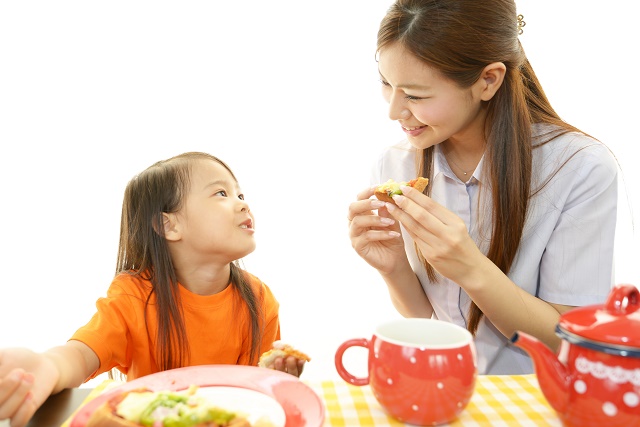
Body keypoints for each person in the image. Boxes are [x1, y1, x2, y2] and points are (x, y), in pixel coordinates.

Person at [347, 0, 618, 375]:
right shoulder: (398, 163)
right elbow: (437, 322)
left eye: (415, 95)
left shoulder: (578, 167)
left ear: (488, 80)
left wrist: (472, 268)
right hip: (446, 389)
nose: (394, 111)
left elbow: (572, 341)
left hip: (534, 400)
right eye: (386, 83)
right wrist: (394, 269)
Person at [0, 152, 306, 426]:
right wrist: (44, 366)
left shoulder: (260, 299)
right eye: (222, 193)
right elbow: (80, 356)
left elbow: (257, 391)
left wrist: (278, 377)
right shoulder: (133, 297)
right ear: (169, 226)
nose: (243, 203)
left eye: (241, 193)